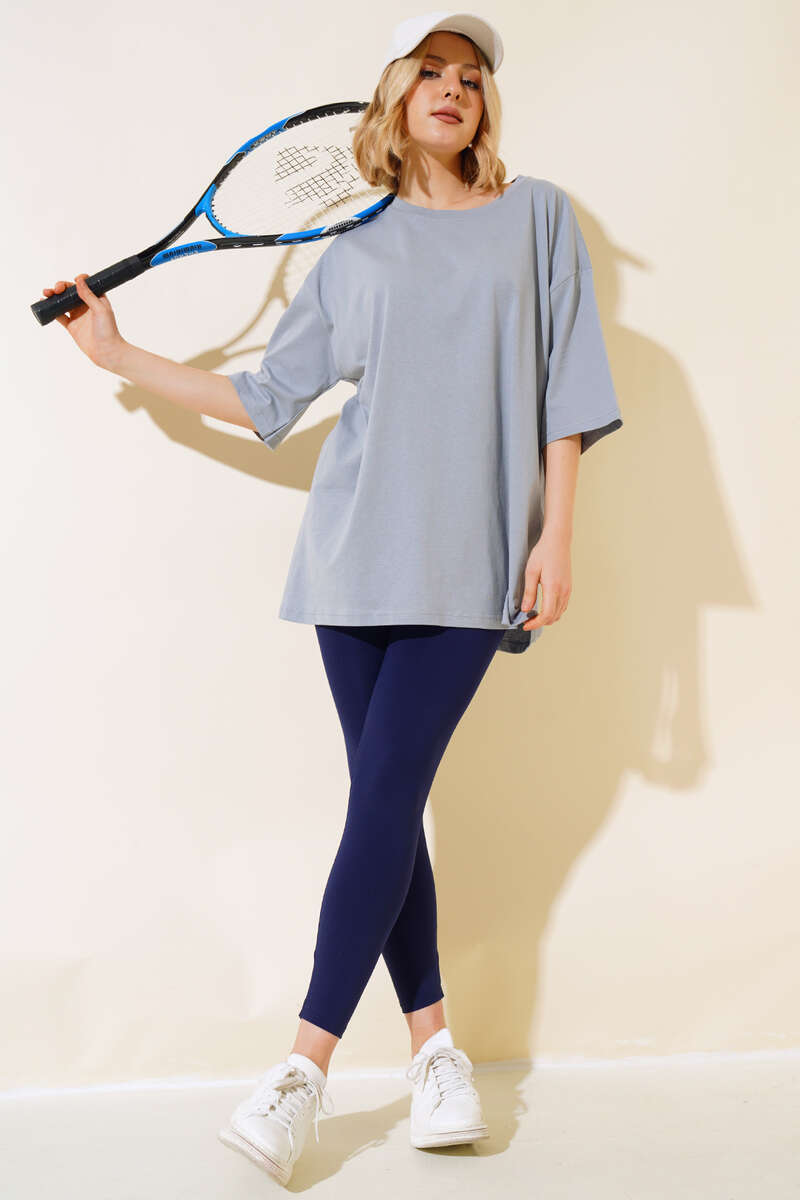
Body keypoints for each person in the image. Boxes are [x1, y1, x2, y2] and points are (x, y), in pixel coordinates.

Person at [41, 9, 623, 1187]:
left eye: (471, 77)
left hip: (471, 565)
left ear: (483, 107)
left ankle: (300, 1071)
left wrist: (555, 533)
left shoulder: (536, 217)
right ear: (395, 96)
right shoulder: (351, 252)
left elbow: (565, 383)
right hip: (352, 560)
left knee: (383, 800)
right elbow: (269, 400)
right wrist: (119, 356)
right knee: (385, 811)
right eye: (431, 72)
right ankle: (435, 1053)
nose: (453, 88)